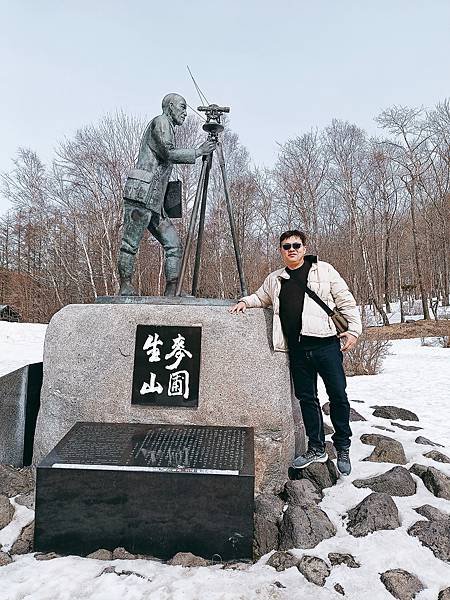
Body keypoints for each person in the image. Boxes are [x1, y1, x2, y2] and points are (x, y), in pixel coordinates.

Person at [229, 230, 362, 475]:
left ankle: (343, 445)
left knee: (338, 397)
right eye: (286, 246)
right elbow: (261, 297)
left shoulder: (324, 270)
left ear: (304, 248)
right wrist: (245, 302)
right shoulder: (276, 278)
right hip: (298, 349)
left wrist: (354, 330)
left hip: (326, 345)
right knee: (307, 399)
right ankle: (316, 447)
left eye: (296, 245)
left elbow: (345, 300)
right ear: (281, 250)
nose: (292, 249)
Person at [118, 93, 215, 296]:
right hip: (141, 194)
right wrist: (198, 152)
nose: (185, 113)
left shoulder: (168, 126)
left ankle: (173, 289)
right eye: (182, 107)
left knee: (173, 244)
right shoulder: (161, 122)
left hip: (155, 201)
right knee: (130, 243)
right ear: (170, 106)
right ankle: (125, 285)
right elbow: (168, 153)